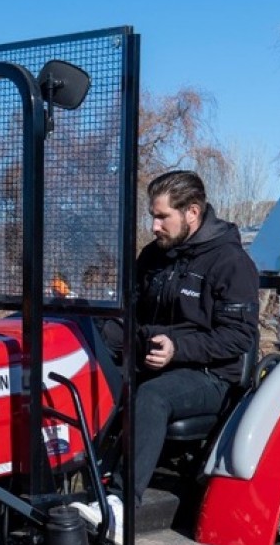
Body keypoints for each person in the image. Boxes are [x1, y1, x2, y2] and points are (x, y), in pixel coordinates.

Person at [93, 170, 257, 526]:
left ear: (192, 213)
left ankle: (120, 506)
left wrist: (178, 347)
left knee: (150, 398)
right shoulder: (153, 257)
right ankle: (76, 487)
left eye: (162, 216)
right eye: (153, 216)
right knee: (91, 375)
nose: (154, 226)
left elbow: (238, 337)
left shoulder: (231, 263)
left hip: (210, 373)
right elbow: (130, 314)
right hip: (153, 361)